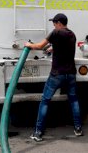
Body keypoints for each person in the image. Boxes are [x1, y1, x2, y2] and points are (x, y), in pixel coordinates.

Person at [25, 13, 82, 142]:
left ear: (59, 23)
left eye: (54, 23)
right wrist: (52, 49)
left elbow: (39, 46)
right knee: (73, 100)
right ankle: (78, 128)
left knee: (45, 100)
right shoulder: (72, 34)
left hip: (57, 74)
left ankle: (38, 132)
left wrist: (29, 45)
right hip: (71, 74)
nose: (54, 25)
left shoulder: (56, 33)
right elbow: (64, 48)